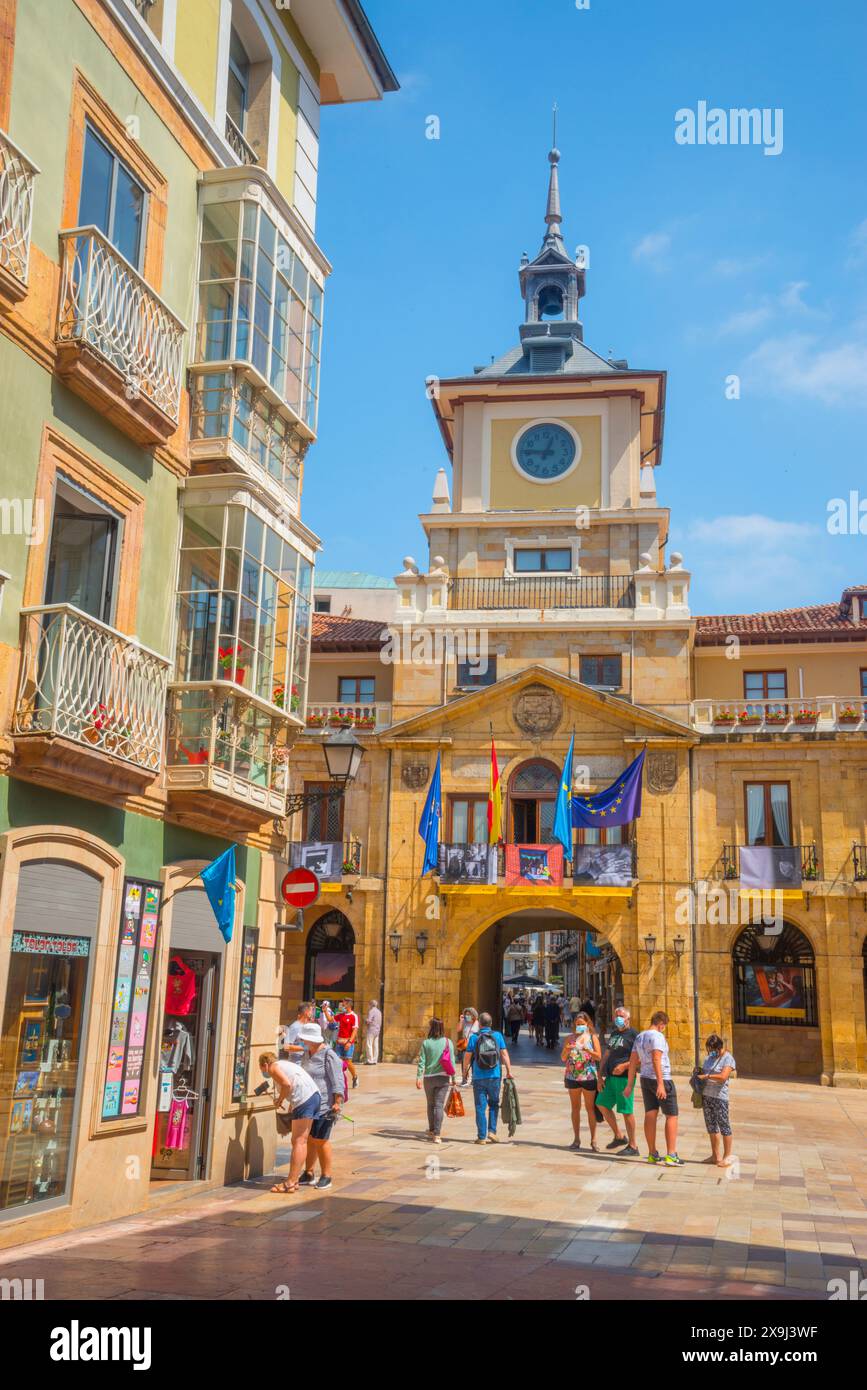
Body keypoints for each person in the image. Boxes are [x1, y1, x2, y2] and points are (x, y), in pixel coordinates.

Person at [624, 1010, 683, 1167]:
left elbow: (632, 1061)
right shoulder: (657, 1036)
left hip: (645, 1078)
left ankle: (652, 1153)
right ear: (662, 1024)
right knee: (671, 1115)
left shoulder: (640, 1036)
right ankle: (671, 1154)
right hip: (661, 1078)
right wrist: (661, 1084)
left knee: (651, 1113)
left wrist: (630, 1085)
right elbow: (657, 1058)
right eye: (664, 1026)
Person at [260, 1051, 321, 1194]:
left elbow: (287, 1085)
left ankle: (290, 1182)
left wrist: (280, 1100)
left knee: (298, 1141)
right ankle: (294, 1181)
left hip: (304, 1100)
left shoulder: (273, 1067)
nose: (263, 1072)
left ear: (264, 1065)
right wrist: (290, 1104)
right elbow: (294, 1083)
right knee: (302, 1141)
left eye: (261, 1069)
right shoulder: (285, 1064)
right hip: (313, 1097)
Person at [297, 1023, 344, 1189]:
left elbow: (337, 1079)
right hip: (310, 1103)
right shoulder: (307, 1053)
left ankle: (326, 1175)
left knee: (321, 1139)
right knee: (310, 1139)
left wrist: (337, 1102)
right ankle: (308, 1172)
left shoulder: (328, 1054)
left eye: (305, 1038)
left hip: (326, 1104)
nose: (303, 1041)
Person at [461, 1011, 512, 1144]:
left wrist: (464, 1072)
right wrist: (509, 1071)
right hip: (494, 1075)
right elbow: (504, 1054)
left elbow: (467, 1057)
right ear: (490, 1024)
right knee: (494, 1104)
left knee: (480, 1106)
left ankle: (482, 1136)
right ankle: (492, 1131)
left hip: (478, 1076)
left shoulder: (474, 1038)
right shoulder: (497, 1035)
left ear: (480, 1024)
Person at [595, 1006, 639, 1155]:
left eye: (621, 1015)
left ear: (628, 1018)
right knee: (601, 1103)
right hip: (610, 1078)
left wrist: (625, 1066)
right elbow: (606, 1054)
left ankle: (633, 1146)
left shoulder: (634, 1035)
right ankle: (619, 1136)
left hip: (625, 1079)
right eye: (616, 1015)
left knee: (626, 1111)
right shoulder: (614, 1034)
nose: (618, 1018)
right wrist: (599, 1075)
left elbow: (640, 1058)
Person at [561, 1012, 602, 1150]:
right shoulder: (570, 1038)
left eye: (582, 1024)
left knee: (590, 1108)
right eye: (577, 1024)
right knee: (575, 1108)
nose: (579, 1027)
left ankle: (594, 1139)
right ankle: (576, 1139)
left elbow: (598, 1057)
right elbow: (563, 1058)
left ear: (587, 1024)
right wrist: (567, 1050)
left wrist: (587, 1050)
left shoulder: (592, 1038)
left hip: (588, 1076)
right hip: (572, 1076)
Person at [697, 1033, 736, 1166]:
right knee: (711, 1126)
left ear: (719, 1047)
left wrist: (707, 1076)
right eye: (709, 1050)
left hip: (720, 1097)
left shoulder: (728, 1058)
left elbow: (723, 1076)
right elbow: (704, 1071)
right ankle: (715, 1155)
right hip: (707, 1095)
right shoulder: (709, 1058)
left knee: (724, 1126)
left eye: (713, 1050)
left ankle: (727, 1156)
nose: (711, 1053)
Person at [416, 1017, 457, 1143]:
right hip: (443, 1077)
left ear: (431, 1028)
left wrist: (418, 1077)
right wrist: (454, 1078)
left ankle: (432, 1129)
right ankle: (437, 1135)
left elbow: (421, 1061)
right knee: (439, 1105)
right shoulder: (448, 1042)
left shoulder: (426, 1043)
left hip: (429, 1078)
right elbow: (452, 1061)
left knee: (430, 1104)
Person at [335, 999, 359, 1088]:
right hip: (339, 1042)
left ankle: (355, 1076)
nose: (342, 1005)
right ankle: (340, 1081)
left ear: (348, 1005)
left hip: (347, 1042)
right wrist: (325, 1011)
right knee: (337, 1062)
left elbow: (355, 1030)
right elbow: (330, 1020)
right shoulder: (341, 1015)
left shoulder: (354, 1016)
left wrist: (349, 1042)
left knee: (348, 1062)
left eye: (343, 1004)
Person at [364, 999, 382, 1065]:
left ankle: (370, 1060)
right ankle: (375, 1060)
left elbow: (369, 1021)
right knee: (375, 1045)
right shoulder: (379, 1012)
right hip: (377, 1030)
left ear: (371, 1004)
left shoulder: (371, 1011)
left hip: (371, 1029)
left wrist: (366, 1021)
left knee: (369, 1044)